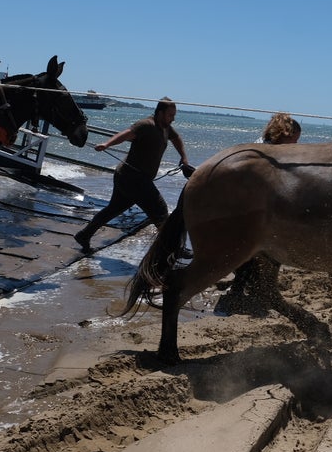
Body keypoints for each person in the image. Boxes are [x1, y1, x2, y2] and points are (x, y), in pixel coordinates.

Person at [74, 98, 190, 253]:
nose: (173, 118)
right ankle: (174, 248)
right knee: (160, 211)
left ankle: (84, 235)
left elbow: (177, 139)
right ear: (160, 113)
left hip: (129, 177)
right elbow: (126, 134)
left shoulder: (166, 127)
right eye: (170, 115)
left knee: (113, 209)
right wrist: (107, 144)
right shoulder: (146, 125)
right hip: (133, 177)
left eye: (174, 115)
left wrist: (183, 157)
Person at [215, 113, 300, 316]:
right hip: (237, 209)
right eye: (294, 140)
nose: (296, 144)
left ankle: (247, 292)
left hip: (243, 207)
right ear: (284, 133)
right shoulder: (265, 151)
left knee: (256, 256)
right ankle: (237, 297)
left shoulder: (266, 146)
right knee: (251, 255)